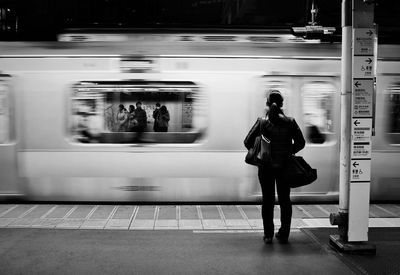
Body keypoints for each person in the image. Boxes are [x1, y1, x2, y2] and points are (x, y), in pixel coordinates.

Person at [244, 90, 305, 244]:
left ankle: (268, 235)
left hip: (265, 167)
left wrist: (261, 148)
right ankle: (284, 234)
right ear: (282, 104)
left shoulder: (262, 122)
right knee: (285, 200)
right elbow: (301, 142)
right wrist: (288, 151)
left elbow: (247, 142)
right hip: (285, 167)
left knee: (268, 200)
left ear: (267, 103)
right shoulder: (290, 122)